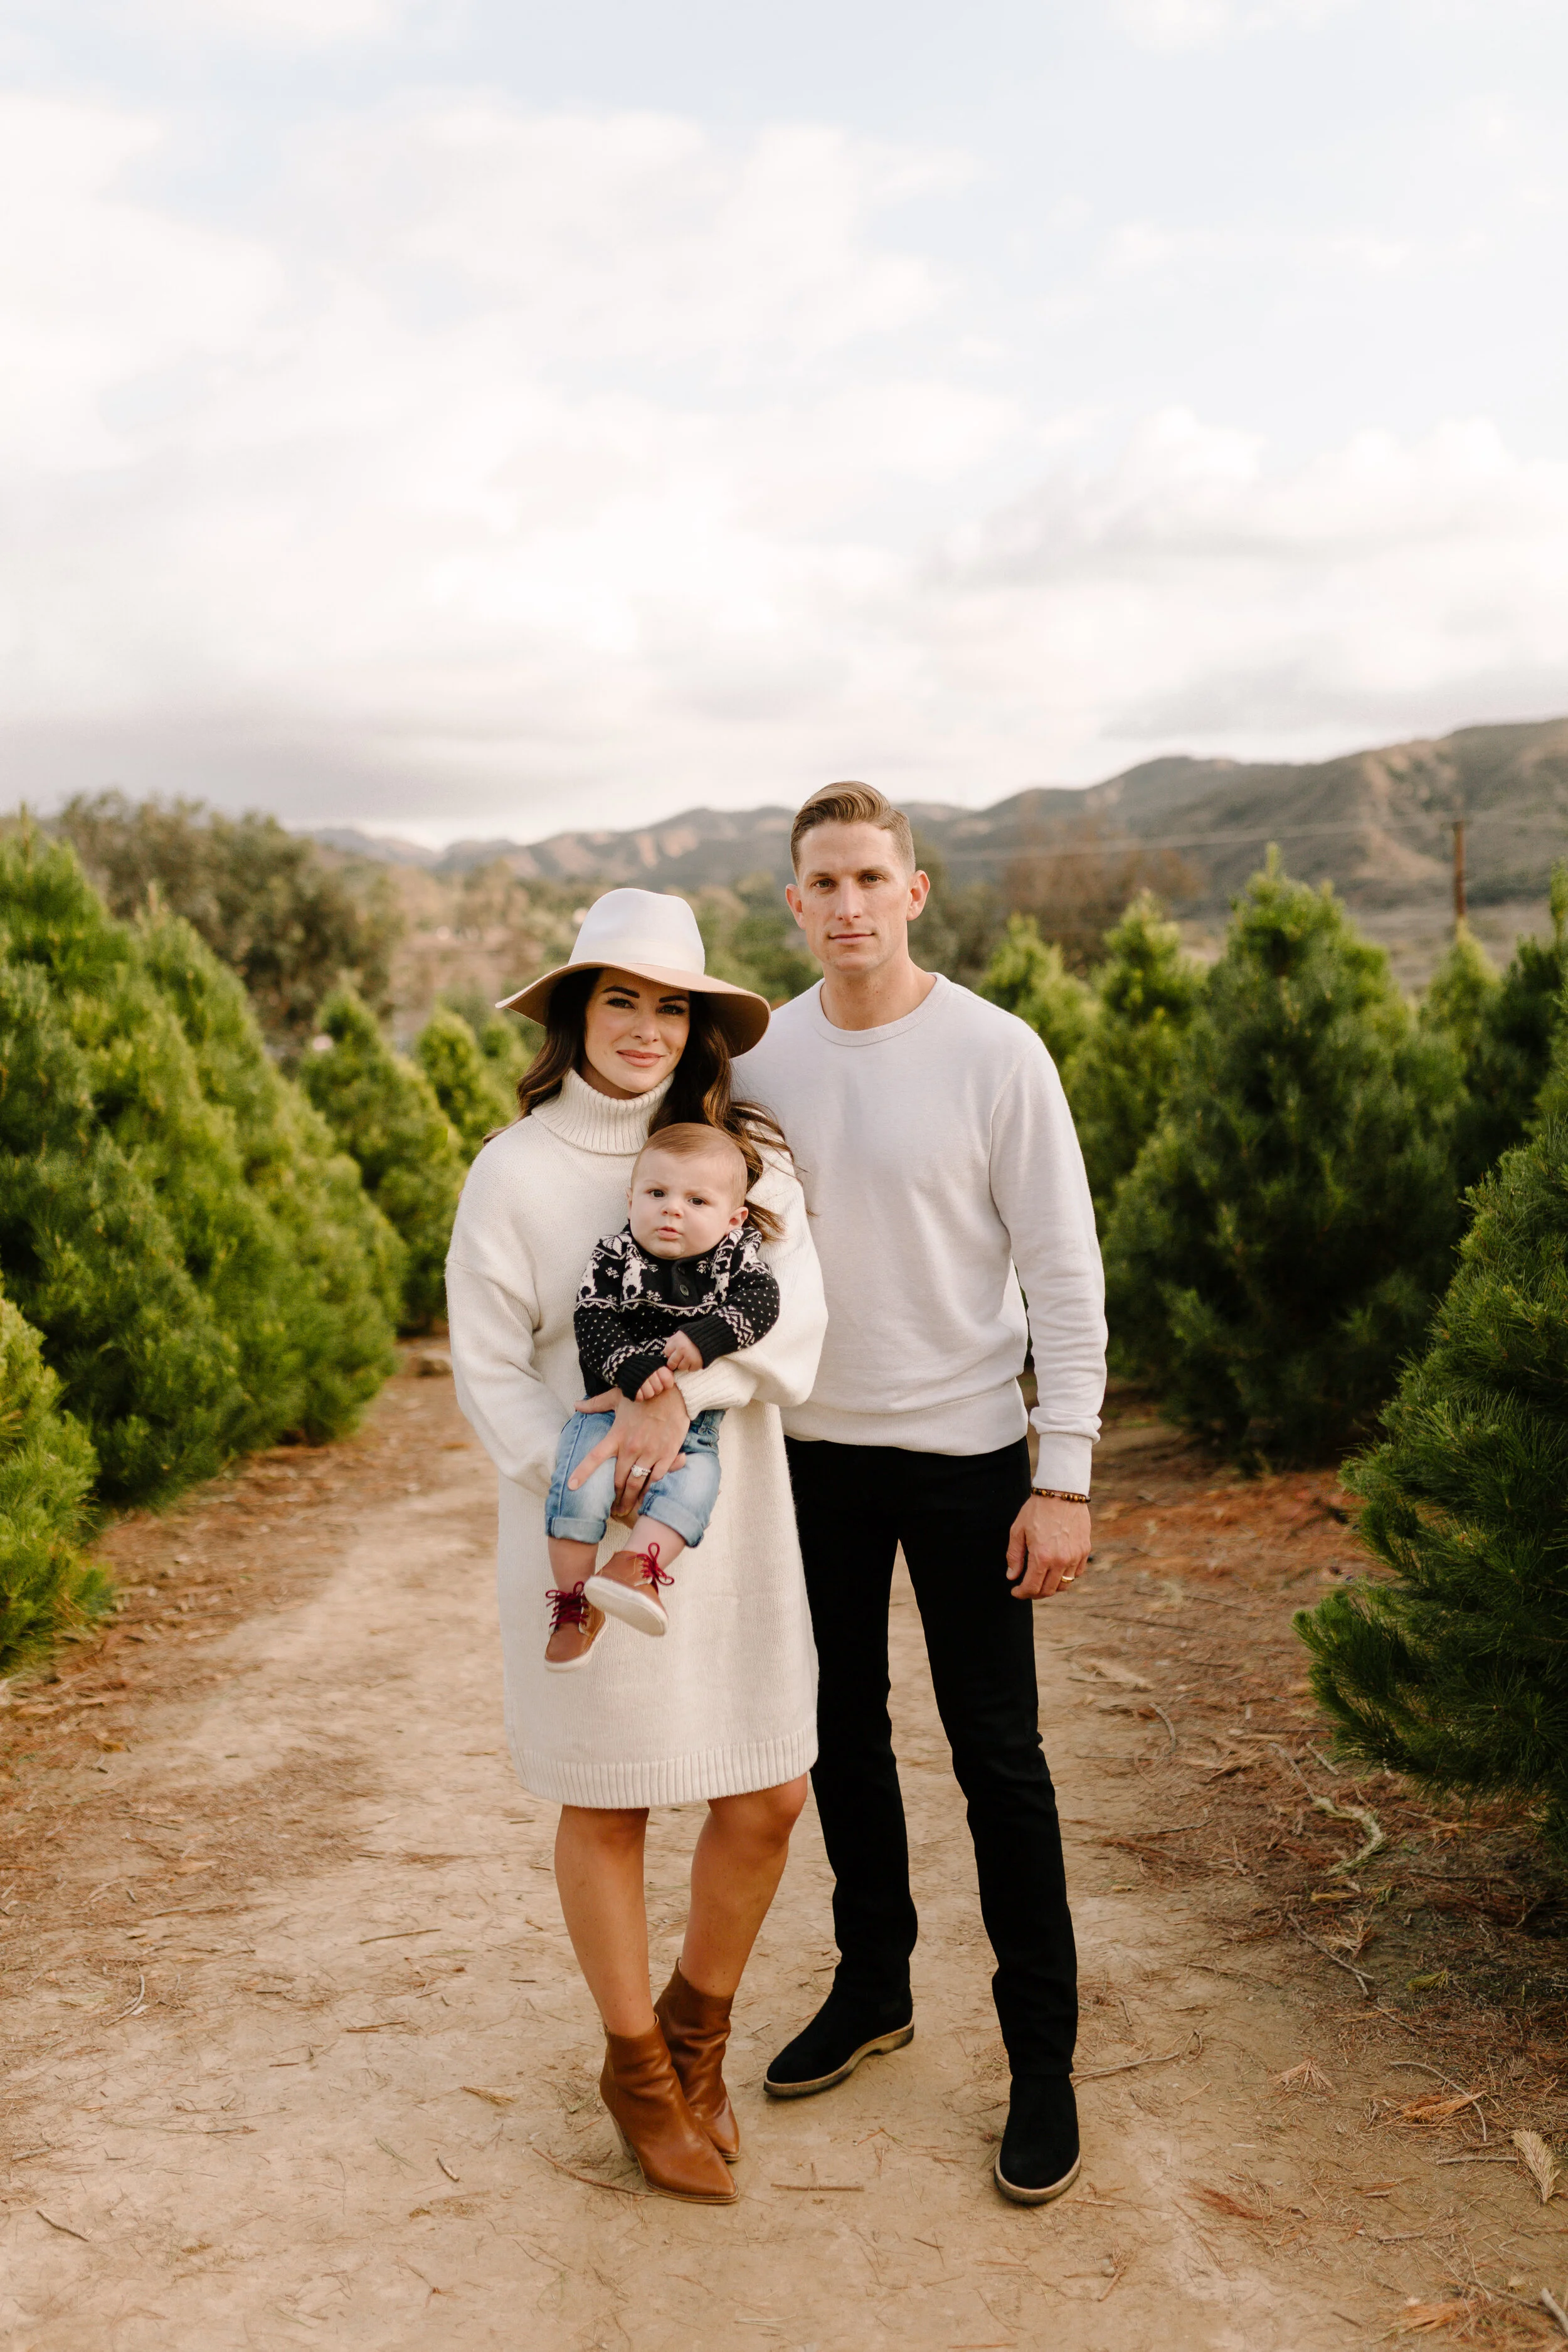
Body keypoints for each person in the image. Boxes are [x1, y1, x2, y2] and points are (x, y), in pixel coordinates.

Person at [737, 783, 1106, 2208]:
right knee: (839, 1734)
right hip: (811, 1456)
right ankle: (873, 1984)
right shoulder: (763, 1055)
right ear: (795, 902)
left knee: (998, 1758)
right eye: (822, 883)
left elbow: (1063, 1268)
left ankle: (1042, 2062)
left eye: (869, 878)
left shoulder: (996, 1053)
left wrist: (1062, 1472)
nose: (847, 904)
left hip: (967, 1456)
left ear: (914, 889)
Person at [445, 888, 827, 2205]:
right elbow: (490, 1364)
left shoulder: (748, 1160)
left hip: (731, 1518)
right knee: (608, 1799)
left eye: (672, 1006)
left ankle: (695, 2035)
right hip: (578, 1516)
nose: (647, 1027)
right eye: (621, 998)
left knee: (768, 1792)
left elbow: (794, 1332)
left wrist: (681, 1392)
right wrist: (586, 1469)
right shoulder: (514, 1172)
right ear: (575, 1012)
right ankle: (639, 2073)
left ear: (698, 1024)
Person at [543, 1121, 781, 1660]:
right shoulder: (614, 1256)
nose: (672, 1210)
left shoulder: (734, 1259)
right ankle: (575, 1605)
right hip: (607, 1414)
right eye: (657, 1194)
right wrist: (628, 1367)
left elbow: (762, 1304)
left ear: (734, 1219)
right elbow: (593, 1320)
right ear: (630, 1201)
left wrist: (706, 1339)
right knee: (578, 1485)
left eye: (696, 1201)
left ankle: (635, 1566)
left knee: (696, 1489)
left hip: (695, 1428)